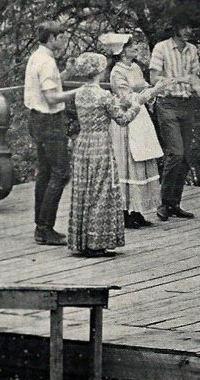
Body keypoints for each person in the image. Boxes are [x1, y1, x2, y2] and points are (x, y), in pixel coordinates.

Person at [66, 52, 167, 257]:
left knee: (85, 190)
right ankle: (97, 242)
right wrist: (138, 104)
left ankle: (82, 240)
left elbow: (106, 109)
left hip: (83, 143)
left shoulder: (80, 94)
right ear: (98, 71)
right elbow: (122, 119)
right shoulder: (102, 95)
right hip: (100, 144)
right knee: (101, 191)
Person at [101, 33, 164, 229]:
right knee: (128, 162)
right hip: (126, 120)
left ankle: (137, 210)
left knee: (142, 161)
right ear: (121, 52)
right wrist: (150, 93)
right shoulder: (117, 72)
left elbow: (144, 87)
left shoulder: (135, 67)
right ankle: (124, 211)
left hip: (141, 117)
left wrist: (152, 91)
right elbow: (127, 98)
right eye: (130, 46)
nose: (134, 48)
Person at [149, 15, 200, 221]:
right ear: (174, 28)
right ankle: (163, 203)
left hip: (186, 104)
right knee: (175, 152)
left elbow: (195, 77)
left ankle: (175, 203)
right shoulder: (161, 48)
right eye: (183, 26)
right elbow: (154, 79)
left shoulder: (192, 50)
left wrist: (198, 86)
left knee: (185, 157)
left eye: (190, 26)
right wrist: (182, 79)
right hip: (167, 104)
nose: (188, 30)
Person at [25, 21, 78, 245]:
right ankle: (44, 227)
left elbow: (50, 86)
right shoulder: (45, 61)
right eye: (62, 37)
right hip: (49, 120)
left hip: (39, 119)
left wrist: (68, 73)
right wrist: (81, 90)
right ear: (52, 38)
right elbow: (52, 97)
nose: (65, 41)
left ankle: (42, 226)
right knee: (61, 173)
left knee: (46, 173)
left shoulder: (39, 57)